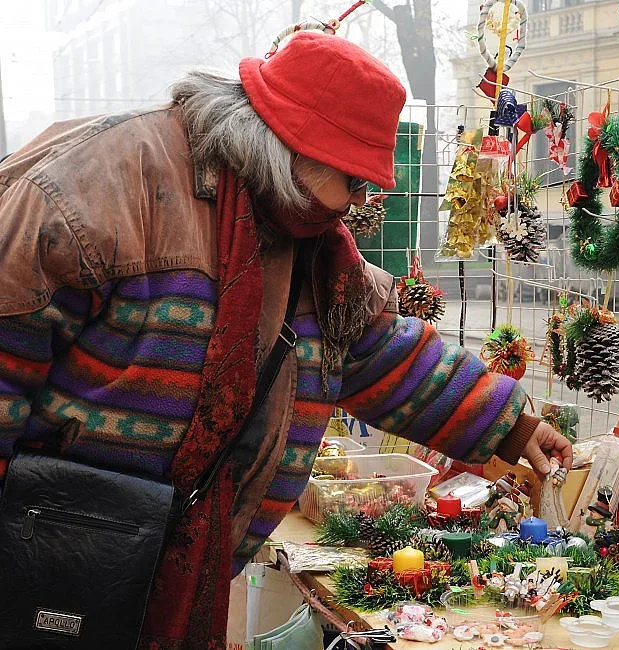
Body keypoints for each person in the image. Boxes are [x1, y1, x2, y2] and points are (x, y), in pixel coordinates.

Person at [0, 30, 572, 649]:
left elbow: (377, 352)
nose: (357, 204)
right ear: (294, 145)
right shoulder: (94, 191)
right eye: (352, 182)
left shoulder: (302, 233)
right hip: (52, 560)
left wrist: (511, 425)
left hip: (167, 566)